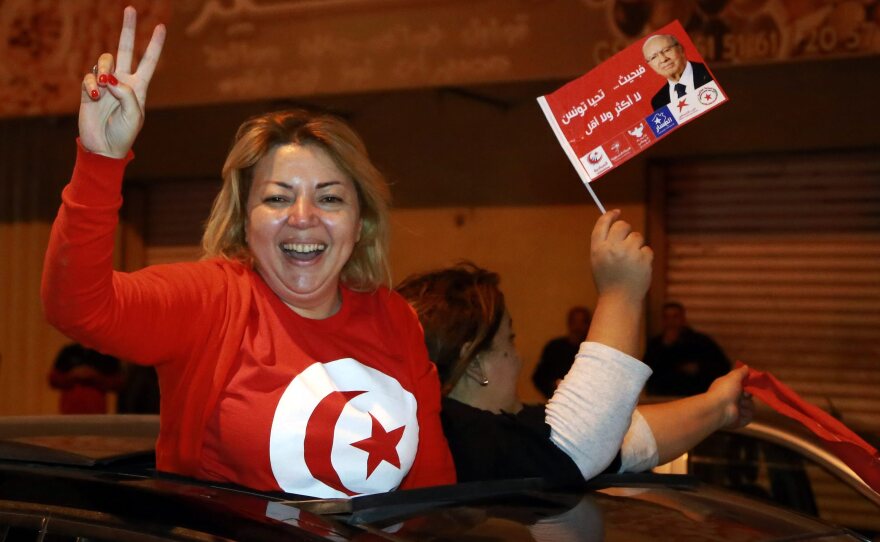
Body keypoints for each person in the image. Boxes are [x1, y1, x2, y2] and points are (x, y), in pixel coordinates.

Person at [41, 7, 454, 498]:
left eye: (330, 197)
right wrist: (100, 161)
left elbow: (432, 487)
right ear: (243, 219)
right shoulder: (212, 300)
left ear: (361, 222)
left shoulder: (395, 319)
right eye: (278, 197)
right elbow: (79, 308)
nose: (303, 216)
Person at [397, 211, 754, 483]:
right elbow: (577, 445)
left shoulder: (508, 434)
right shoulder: (454, 441)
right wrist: (621, 292)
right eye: (510, 340)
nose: (520, 357)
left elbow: (626, 440)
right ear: (474, 363)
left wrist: (719, 406)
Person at [644, 301, 732, 397]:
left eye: (675, 316)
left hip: (694, 396)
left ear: (683, 318)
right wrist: (666, 346)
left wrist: (699, 368)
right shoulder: (655, 345)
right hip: (663, 398)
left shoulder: (701, 341)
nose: (671, 321)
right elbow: (648, 372)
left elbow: (723, 366)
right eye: (666, 317)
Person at [531, 306, 592, 399]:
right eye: (575, 322)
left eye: (582, 322)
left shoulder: (590, 350)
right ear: (569, 323)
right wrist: (553, 390)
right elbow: (539, 377)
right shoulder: (554, 348)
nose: (578, 327)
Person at [643, 33, 714, 111]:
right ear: (650, 65)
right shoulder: (658, 102)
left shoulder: (709, 71)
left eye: (667, 50)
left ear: (681, 49)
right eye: (653, 57)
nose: (663, 59)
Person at [48, 343, 123, 414]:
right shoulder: (68, 351)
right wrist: (72, 375)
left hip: (97, 413)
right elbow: (53, 380)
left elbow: (118, 383)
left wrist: (95, 376)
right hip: (69, 412)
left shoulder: (105, 352)